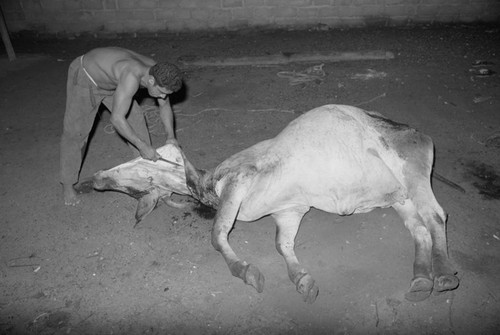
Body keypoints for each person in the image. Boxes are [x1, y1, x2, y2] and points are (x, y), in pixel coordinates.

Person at [60, 47, 183, 206]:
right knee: (76, 133)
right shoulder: (131, 77)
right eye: (161, 92)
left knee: (136, 121)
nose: (163, 96)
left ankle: (146, 175)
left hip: (115, 82)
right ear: (151, 81)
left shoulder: (158, 72)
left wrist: (171, 136)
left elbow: (164, 106)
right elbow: (116, 119)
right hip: (87, 78)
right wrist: (142, 145)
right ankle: (67, 184)